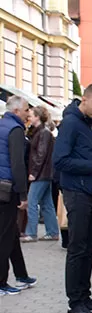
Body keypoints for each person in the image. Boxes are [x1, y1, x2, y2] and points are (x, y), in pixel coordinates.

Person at [54, 83, 92, 313]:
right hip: (76, 191)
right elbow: (60, 161)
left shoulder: (89, 123)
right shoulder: (70, 123)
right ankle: (74, 301)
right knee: (78, 247)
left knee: (89, 245)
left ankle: (84, 296)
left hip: (90, 190)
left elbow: (85, 153)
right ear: (85, 100)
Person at [0, 96, 35, 296]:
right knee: (5, 236)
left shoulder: (2, 125)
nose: (27, 114)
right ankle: (1, 281)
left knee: (11, 233)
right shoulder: (15, 130)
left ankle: (21, 274)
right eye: (25, 110)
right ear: (15, 111)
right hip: (7, 189)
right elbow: (17, 164)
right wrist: (23, 194)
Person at [25, 105, 59, 242]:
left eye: (32, 115)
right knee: (47, 203)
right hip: (46, 173)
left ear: (37, 117)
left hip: (41, 173)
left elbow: (40, 155)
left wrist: (33, 172)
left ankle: (31, 233)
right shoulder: (43, 132)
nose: (29, 117)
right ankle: (52, 231)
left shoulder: (42, 133)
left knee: (32, 201)